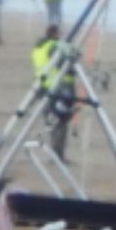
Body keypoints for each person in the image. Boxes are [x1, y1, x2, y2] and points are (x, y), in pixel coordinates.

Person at [31, 25, 76, 162]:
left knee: (52, 121)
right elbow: (63, 64)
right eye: (59, 33)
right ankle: (58, 155)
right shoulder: (53, 47)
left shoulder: (38, 48)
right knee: (61, 122)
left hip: (43, 87)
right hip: (58, 88)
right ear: (55, 33)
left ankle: (54, 152)